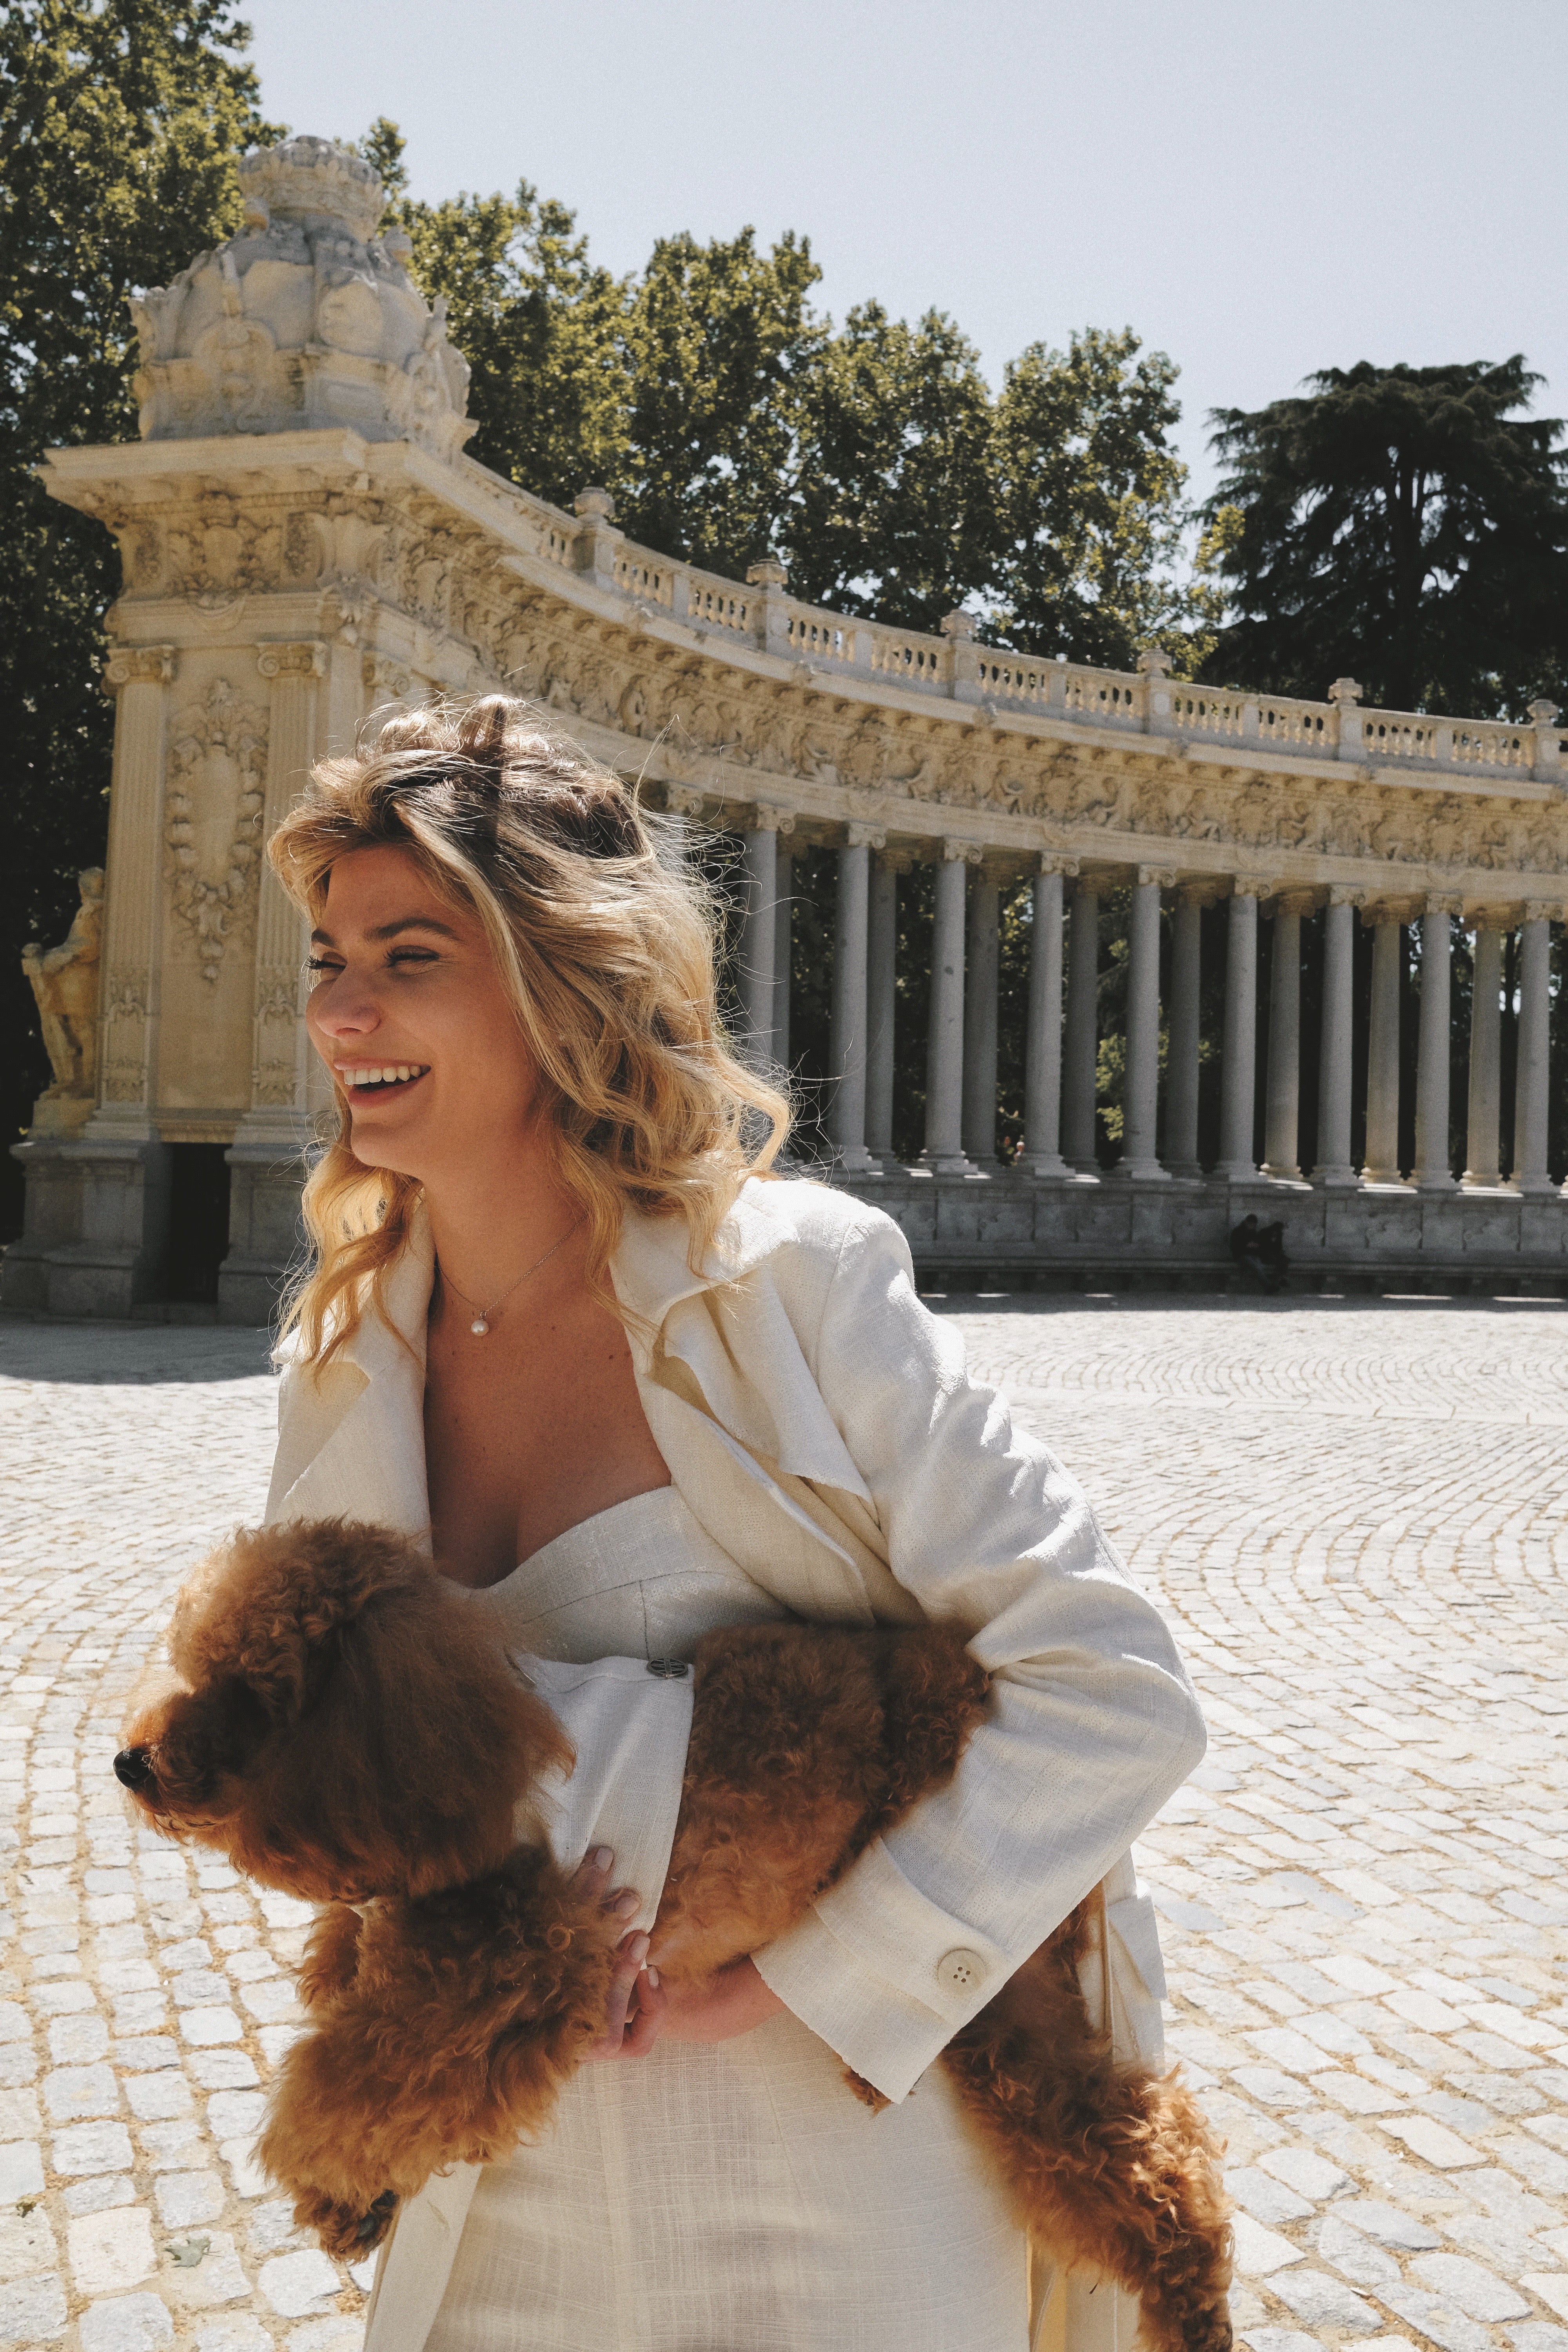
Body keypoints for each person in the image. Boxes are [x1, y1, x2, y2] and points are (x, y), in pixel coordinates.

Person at [262, 695, 1207, 2352]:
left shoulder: (793, 1285)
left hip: (837, 2167)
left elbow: (1114, 1689)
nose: (343, 1011)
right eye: (329, 960)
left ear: (563, 979)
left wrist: (796, 1980)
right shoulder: (343, 1356)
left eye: (410, 957)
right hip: (505, 2178)